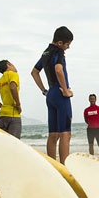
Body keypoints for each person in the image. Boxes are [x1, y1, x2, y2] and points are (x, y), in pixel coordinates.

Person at [30, 26, 74, 163]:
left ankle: (53, 165)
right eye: (67, 44)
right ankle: (65, 167)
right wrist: (66, 90)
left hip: (50, 95)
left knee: (53, 134)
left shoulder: (45, 53)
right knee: (65, 133)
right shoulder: (58, 52)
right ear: (60, 43)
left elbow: (34, 72)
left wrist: (44, 90)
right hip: (60, 95)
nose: (68, 48)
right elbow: (59, 70)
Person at [0, 60, 22, 139]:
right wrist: (18, 104)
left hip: (3, 114)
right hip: (13, 114)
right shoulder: (13, 74)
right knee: (14, 143)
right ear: (8, 64)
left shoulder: (1, 79)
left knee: (2, 141)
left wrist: (1, 105)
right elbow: (13, 87)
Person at [83, 93, 99, 159]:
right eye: (91, 99)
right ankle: (92, 158)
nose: (92, 100)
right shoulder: (86, 110)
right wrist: (91, 124)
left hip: (98, 129)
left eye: (93, 99)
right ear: (89, 100)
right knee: (91, 145)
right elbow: (86, 120)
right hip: (90, 130)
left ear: (95, 99)